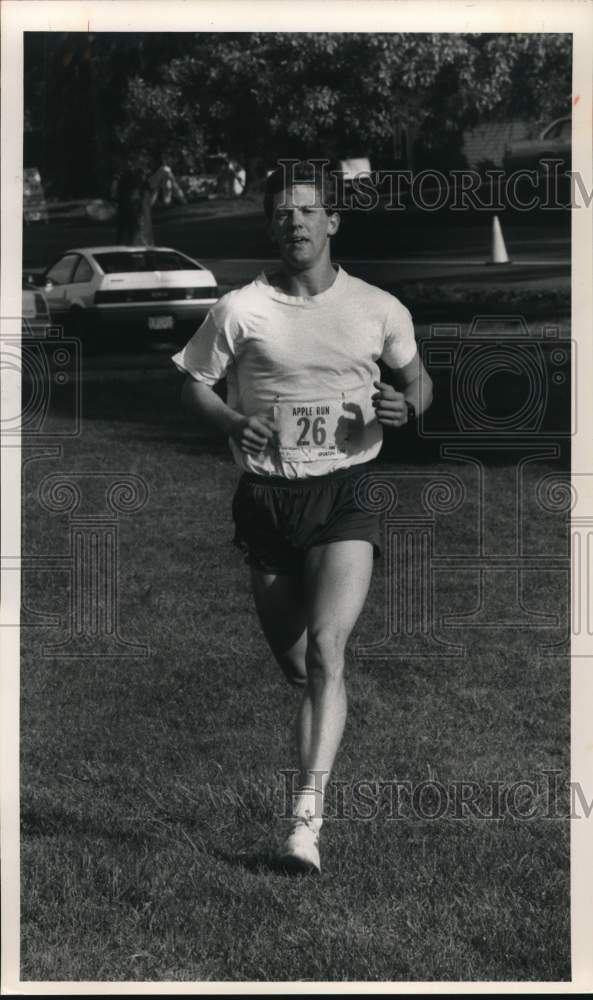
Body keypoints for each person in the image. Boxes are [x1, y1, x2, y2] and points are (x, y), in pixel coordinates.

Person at [171, 160, 433, 874]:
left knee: (326, 651)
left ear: (333, 220)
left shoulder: (377, 308)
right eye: (283, 212)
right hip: (265, 501)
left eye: (308, 210)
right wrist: (230, 419)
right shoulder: (240, 310)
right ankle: (326, 715)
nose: (295, 222)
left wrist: (403, 408)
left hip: (346, 490)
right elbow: (193, 382)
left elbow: (417, 384)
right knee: (301, 671)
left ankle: (304, 823)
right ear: (271, 225)